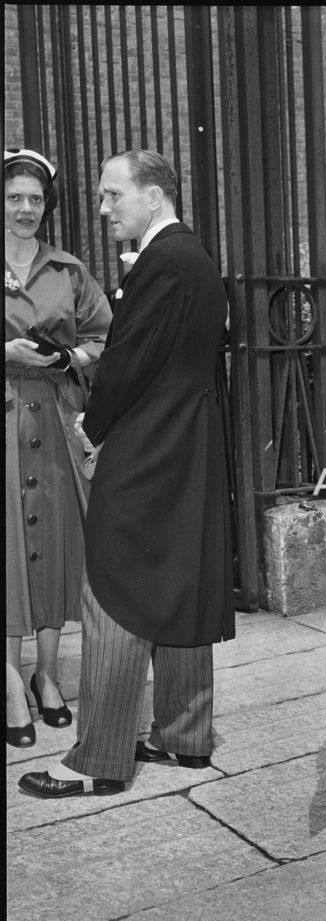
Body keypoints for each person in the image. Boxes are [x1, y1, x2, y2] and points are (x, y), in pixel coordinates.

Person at [19, 149, 234, 798]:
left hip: (148, 449)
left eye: (115, 195)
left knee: (112, 588)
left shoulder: (163, 263)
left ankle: (100, 760)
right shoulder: (194, 258)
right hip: (188, 445)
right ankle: (184, 736)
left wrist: (93, 425)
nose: (105, 208)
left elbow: (128, 360)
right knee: (182, 578)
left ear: (154, 196)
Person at [5, 147, 111, 748]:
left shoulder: (68, 270)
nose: (25, 209)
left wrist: (69, 356)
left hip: (55, 418)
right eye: (15, 197)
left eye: (36, 200)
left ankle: (47, 674)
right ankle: (10, 683)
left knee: (50, 549)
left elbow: (103, 337)